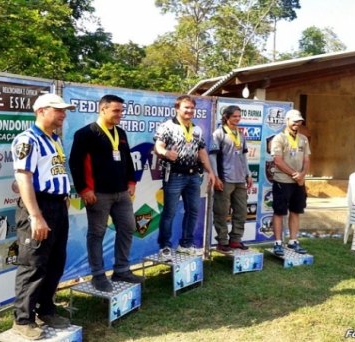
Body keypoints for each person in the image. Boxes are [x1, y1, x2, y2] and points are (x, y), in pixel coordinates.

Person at [11, 93, 75, 340]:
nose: (63, 114)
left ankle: (46, 309)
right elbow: (23, 178)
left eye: (64, 110)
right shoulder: (27, 140)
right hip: (38, 207)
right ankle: (23, 319)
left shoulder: (54, 139)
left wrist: (64, 197)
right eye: (58, 110)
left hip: (57, 207)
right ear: (41, 111)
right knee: (33, 264)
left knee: (56, 261)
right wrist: (35, 216)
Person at [69, 94, 144, 293]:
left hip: (122, 192)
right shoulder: (85, 134)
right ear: (103, 109)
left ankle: (121, 269)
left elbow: (127, 160)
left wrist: (131, 181)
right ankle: (98, 274)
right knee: (97, 234)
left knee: (127, 228)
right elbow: (75, 163)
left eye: (121, 110)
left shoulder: (120, 132)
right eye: (116, 111)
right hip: (98, 194)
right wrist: (84, 189)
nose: (120, 114)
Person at [154, 95, 216, 262]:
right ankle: (165, 247)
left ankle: (186, 245)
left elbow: (201, 151)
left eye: (191, 108)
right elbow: (157, 146)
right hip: (173, 175)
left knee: (193, 211)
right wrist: (166, 153)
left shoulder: (196, 129)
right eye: (186, 107)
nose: (189, 111)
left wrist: (210, 171)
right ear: (177, 108)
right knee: (170, 213)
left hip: (193, 176)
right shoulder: (167, 126)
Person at [209, 105, 253, 254]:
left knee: (241, 211)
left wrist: (248, 174)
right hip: (225, 179)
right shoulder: (218, 134)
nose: (237, 119)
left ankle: (235, 240)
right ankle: (222, 241)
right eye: (234, 116)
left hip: (240, 179)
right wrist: (216, 177)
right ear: (226, 117)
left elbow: (244, 156)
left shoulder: (240, 134)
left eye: (239, 116)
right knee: (221, 212)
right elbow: (212, 156)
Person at [270, 109, 311, 257]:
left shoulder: (303, 139)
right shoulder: (279, 138)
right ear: (287, 121)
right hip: (283, 181)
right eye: (294, 121)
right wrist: (295, 174)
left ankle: (293, 241)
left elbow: (307, 160)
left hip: (299, 182)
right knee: (279, 212)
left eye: (299, 121)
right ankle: (278, 243)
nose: (296, 124)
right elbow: (278, 161)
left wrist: (302, 175)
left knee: (296, 211)